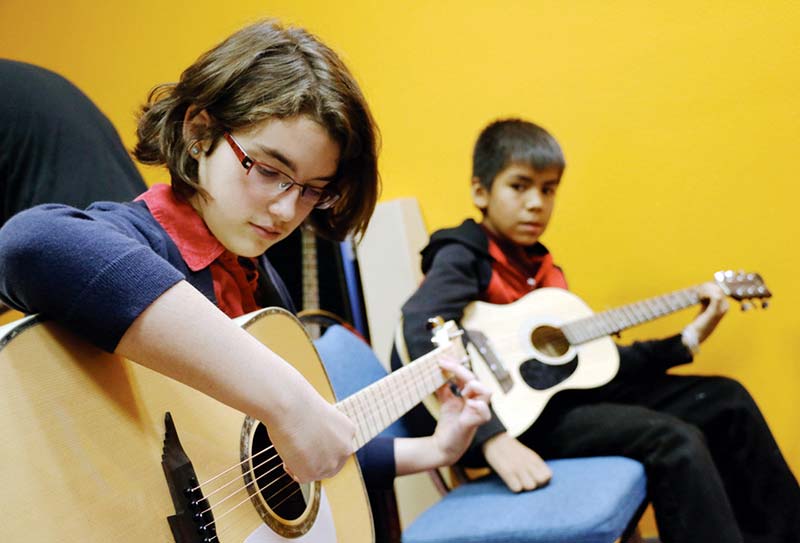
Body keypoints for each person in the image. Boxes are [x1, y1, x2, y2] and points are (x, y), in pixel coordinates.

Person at [0, 20, 490, 539]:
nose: (285, 209)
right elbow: (32, 243)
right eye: (268, 169)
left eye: (311, 190)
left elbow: (284, 463)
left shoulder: (260, 284)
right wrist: (287, 399)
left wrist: (437, 449)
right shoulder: (142, 238)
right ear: (199, 132)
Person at [393, 118, 800, 543]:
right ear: (481, 191)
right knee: (673, 440)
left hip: (562, 401)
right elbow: (422, 328)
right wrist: (493, 438)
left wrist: (688, 339)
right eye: (519, 186)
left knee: (726, 400)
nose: (536, 203)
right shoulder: (464, 254)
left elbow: (596, 363)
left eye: (548, 189)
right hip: (515, 422)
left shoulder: (545, 274)